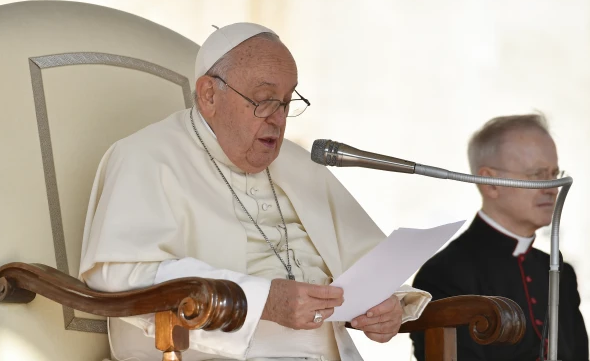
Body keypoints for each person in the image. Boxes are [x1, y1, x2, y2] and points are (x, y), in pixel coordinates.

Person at [78, 22, 431, 360]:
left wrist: (388, 305)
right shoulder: (146, 156)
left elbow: (367, 264)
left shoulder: (299, 163)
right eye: (264, 99)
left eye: (286, 102)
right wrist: (261, 301)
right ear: (209, 95)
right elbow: (119, 276)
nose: (278, 118)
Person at [411, 114, 588, 360]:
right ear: (491, 183)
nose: (553, 188)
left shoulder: (561, 273)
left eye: (554, 173)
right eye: (537, 174)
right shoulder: (445, 273)